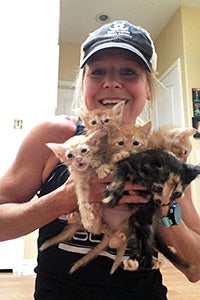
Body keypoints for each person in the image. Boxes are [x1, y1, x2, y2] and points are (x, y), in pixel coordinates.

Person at [0, 20, 200, 300]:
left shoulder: (162, 158)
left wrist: (164, 207)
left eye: (129, 72)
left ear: (148, 89)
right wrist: (66, 197)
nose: (111, 82)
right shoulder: (55, 137)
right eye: (98, 72)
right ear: (84, 84)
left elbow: (195, 268)